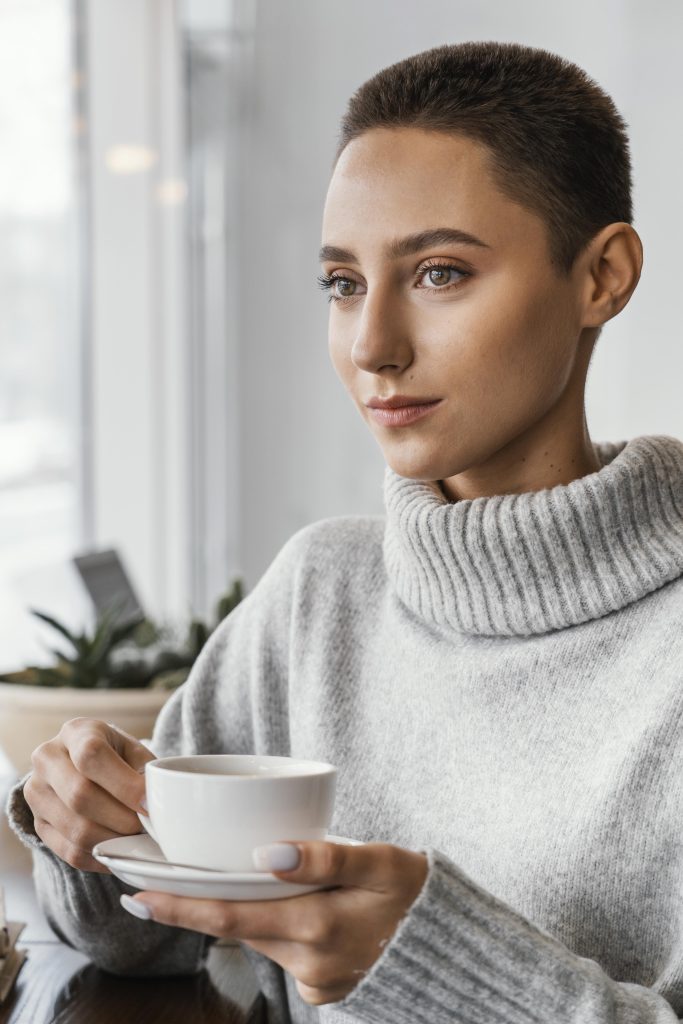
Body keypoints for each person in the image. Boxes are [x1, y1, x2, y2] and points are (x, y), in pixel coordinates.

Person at [7, 39, 683, 1024]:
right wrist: (80, 817)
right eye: (342, 283)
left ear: (602, 275)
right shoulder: (320, 590)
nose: (372, 346)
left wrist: (429, 960)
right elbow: (141, 937)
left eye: (439, 273)